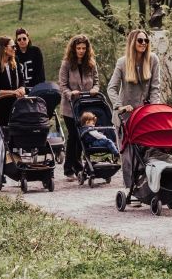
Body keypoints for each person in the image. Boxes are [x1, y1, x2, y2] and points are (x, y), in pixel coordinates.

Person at [58, 34, 101, 181]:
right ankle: (72, 166)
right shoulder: (67, 64)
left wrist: (95, 89)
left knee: (82, 135)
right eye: (78, 48)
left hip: (86, 105)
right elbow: (62, 85)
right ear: (73, 49)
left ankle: (77, 165)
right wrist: (71, 93)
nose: (81, 51)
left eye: (83, 48)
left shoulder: (91, 63)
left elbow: (96, 82)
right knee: (74, 135)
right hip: (70, 106)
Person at [0, 36, 25, 180]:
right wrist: (12, 92)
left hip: (12, 109)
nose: (15, 49)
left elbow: (22, 81)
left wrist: (21, 89)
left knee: (11, 143)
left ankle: (13, 169)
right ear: (4, 48)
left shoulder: (15, 64)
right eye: (12, 46)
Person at [106, 28, 161, 124]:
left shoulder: (153, 60)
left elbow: (155, 88)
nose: (144, 43)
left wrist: (154, 109)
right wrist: (120, 106)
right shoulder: (122, 62)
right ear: (132, 42)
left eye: (146, 40)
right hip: (125, 115)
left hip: (144, 115)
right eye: (140, 40)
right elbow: (111, 88)